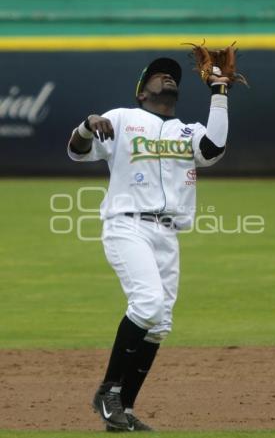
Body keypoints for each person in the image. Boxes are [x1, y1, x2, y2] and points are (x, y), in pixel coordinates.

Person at [67, 57, 229, 432]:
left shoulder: (187, 131)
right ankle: (107, 391)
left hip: (168, 234)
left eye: (171, 75)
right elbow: (77, 150)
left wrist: (219, 93)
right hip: (128, 225)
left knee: (159, 325)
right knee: (148, 304)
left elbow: (213, 148)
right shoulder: (122, 118)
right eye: (157, 74)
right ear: (142, 92)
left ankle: (122, 409)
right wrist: (88, 124)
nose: (166, 76)